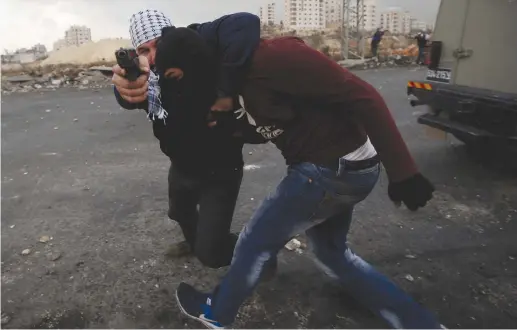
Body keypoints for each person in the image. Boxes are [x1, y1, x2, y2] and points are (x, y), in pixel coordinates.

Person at [166, 34, 442, 328]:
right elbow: (272, 124)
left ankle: (217, 312)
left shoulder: (272, 56)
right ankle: (420, 324)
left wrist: (403, 172)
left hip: (330, 167)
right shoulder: (227, 85)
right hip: (342, 168)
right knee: (333, 255)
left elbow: (365, 95)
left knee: (254, 242)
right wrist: (233, 129)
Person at [111, 9, 263, 268]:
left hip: (221, 169)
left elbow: (245, 23)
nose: (155, 55)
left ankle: (258, 253)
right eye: (144, 50)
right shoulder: (151, 80)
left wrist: (226, 93)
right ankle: (195, 242)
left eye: (159, 44)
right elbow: (129, 96)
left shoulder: (197, 47)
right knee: (180, 212)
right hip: (181, 166)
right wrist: (123, 90)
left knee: (212, 255)